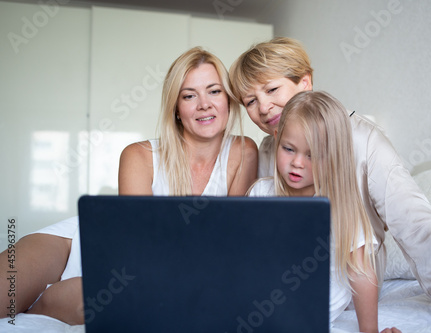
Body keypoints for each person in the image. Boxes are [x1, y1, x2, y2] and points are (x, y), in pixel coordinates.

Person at [230, 36, 431, 319]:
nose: (263, 107)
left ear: (305, 84)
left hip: (349, 276)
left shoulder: (364, 138)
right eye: (250, 101)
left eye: (272, 89)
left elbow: (416, 224)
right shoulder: (268, 149)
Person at [0, 47, 258, 325]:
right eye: (189, 95)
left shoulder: (244, 152)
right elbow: (139, 244)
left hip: (128, 277)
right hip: (74, 244)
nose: (204, 104)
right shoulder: (139, 155)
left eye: (214, 91)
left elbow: (231, 241)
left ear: (229, 101)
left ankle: (39, 306)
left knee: (90, 304)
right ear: (177, 109)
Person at [248, 90, 400, 333]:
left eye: (313, 155)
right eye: (289, 149)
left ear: (334, 157)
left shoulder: (341, 207)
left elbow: (361, 274)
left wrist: (369, 331)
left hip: (314, 316)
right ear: (276, 138)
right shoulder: (260, 194)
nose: (298, 162)